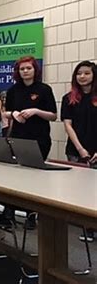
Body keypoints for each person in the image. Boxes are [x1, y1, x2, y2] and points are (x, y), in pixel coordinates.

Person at [61, 60, 96, 243]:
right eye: (79, 73)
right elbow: (68, 125)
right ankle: (87, 228)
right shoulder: (69, 98)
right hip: (76, 150)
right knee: (82, 191)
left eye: (86, 73)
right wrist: (81, 149)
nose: (82, 76)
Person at [5, 56, 57, 160]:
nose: (25, 71)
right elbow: (5, 112)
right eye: (22, 69)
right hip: (18, 138)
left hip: (39, 139)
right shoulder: (13, 90)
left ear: (35, 70)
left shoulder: (44, 89)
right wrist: (13, 114)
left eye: (29, 68)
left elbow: (53, 116)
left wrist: (36, 111)